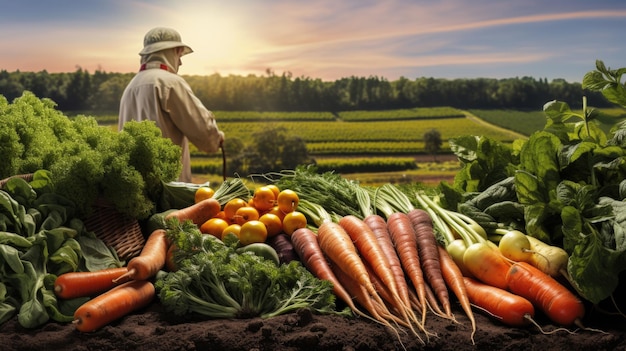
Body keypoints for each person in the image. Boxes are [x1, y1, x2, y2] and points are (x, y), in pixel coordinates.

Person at [119, 27, 224, 183]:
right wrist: (218, 138)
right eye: (179, 54)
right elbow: (205, 134)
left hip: (136, 190)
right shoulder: (169, 83)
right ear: (169, 52)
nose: (180, 62)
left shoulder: (131, 86)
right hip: (169, 189)